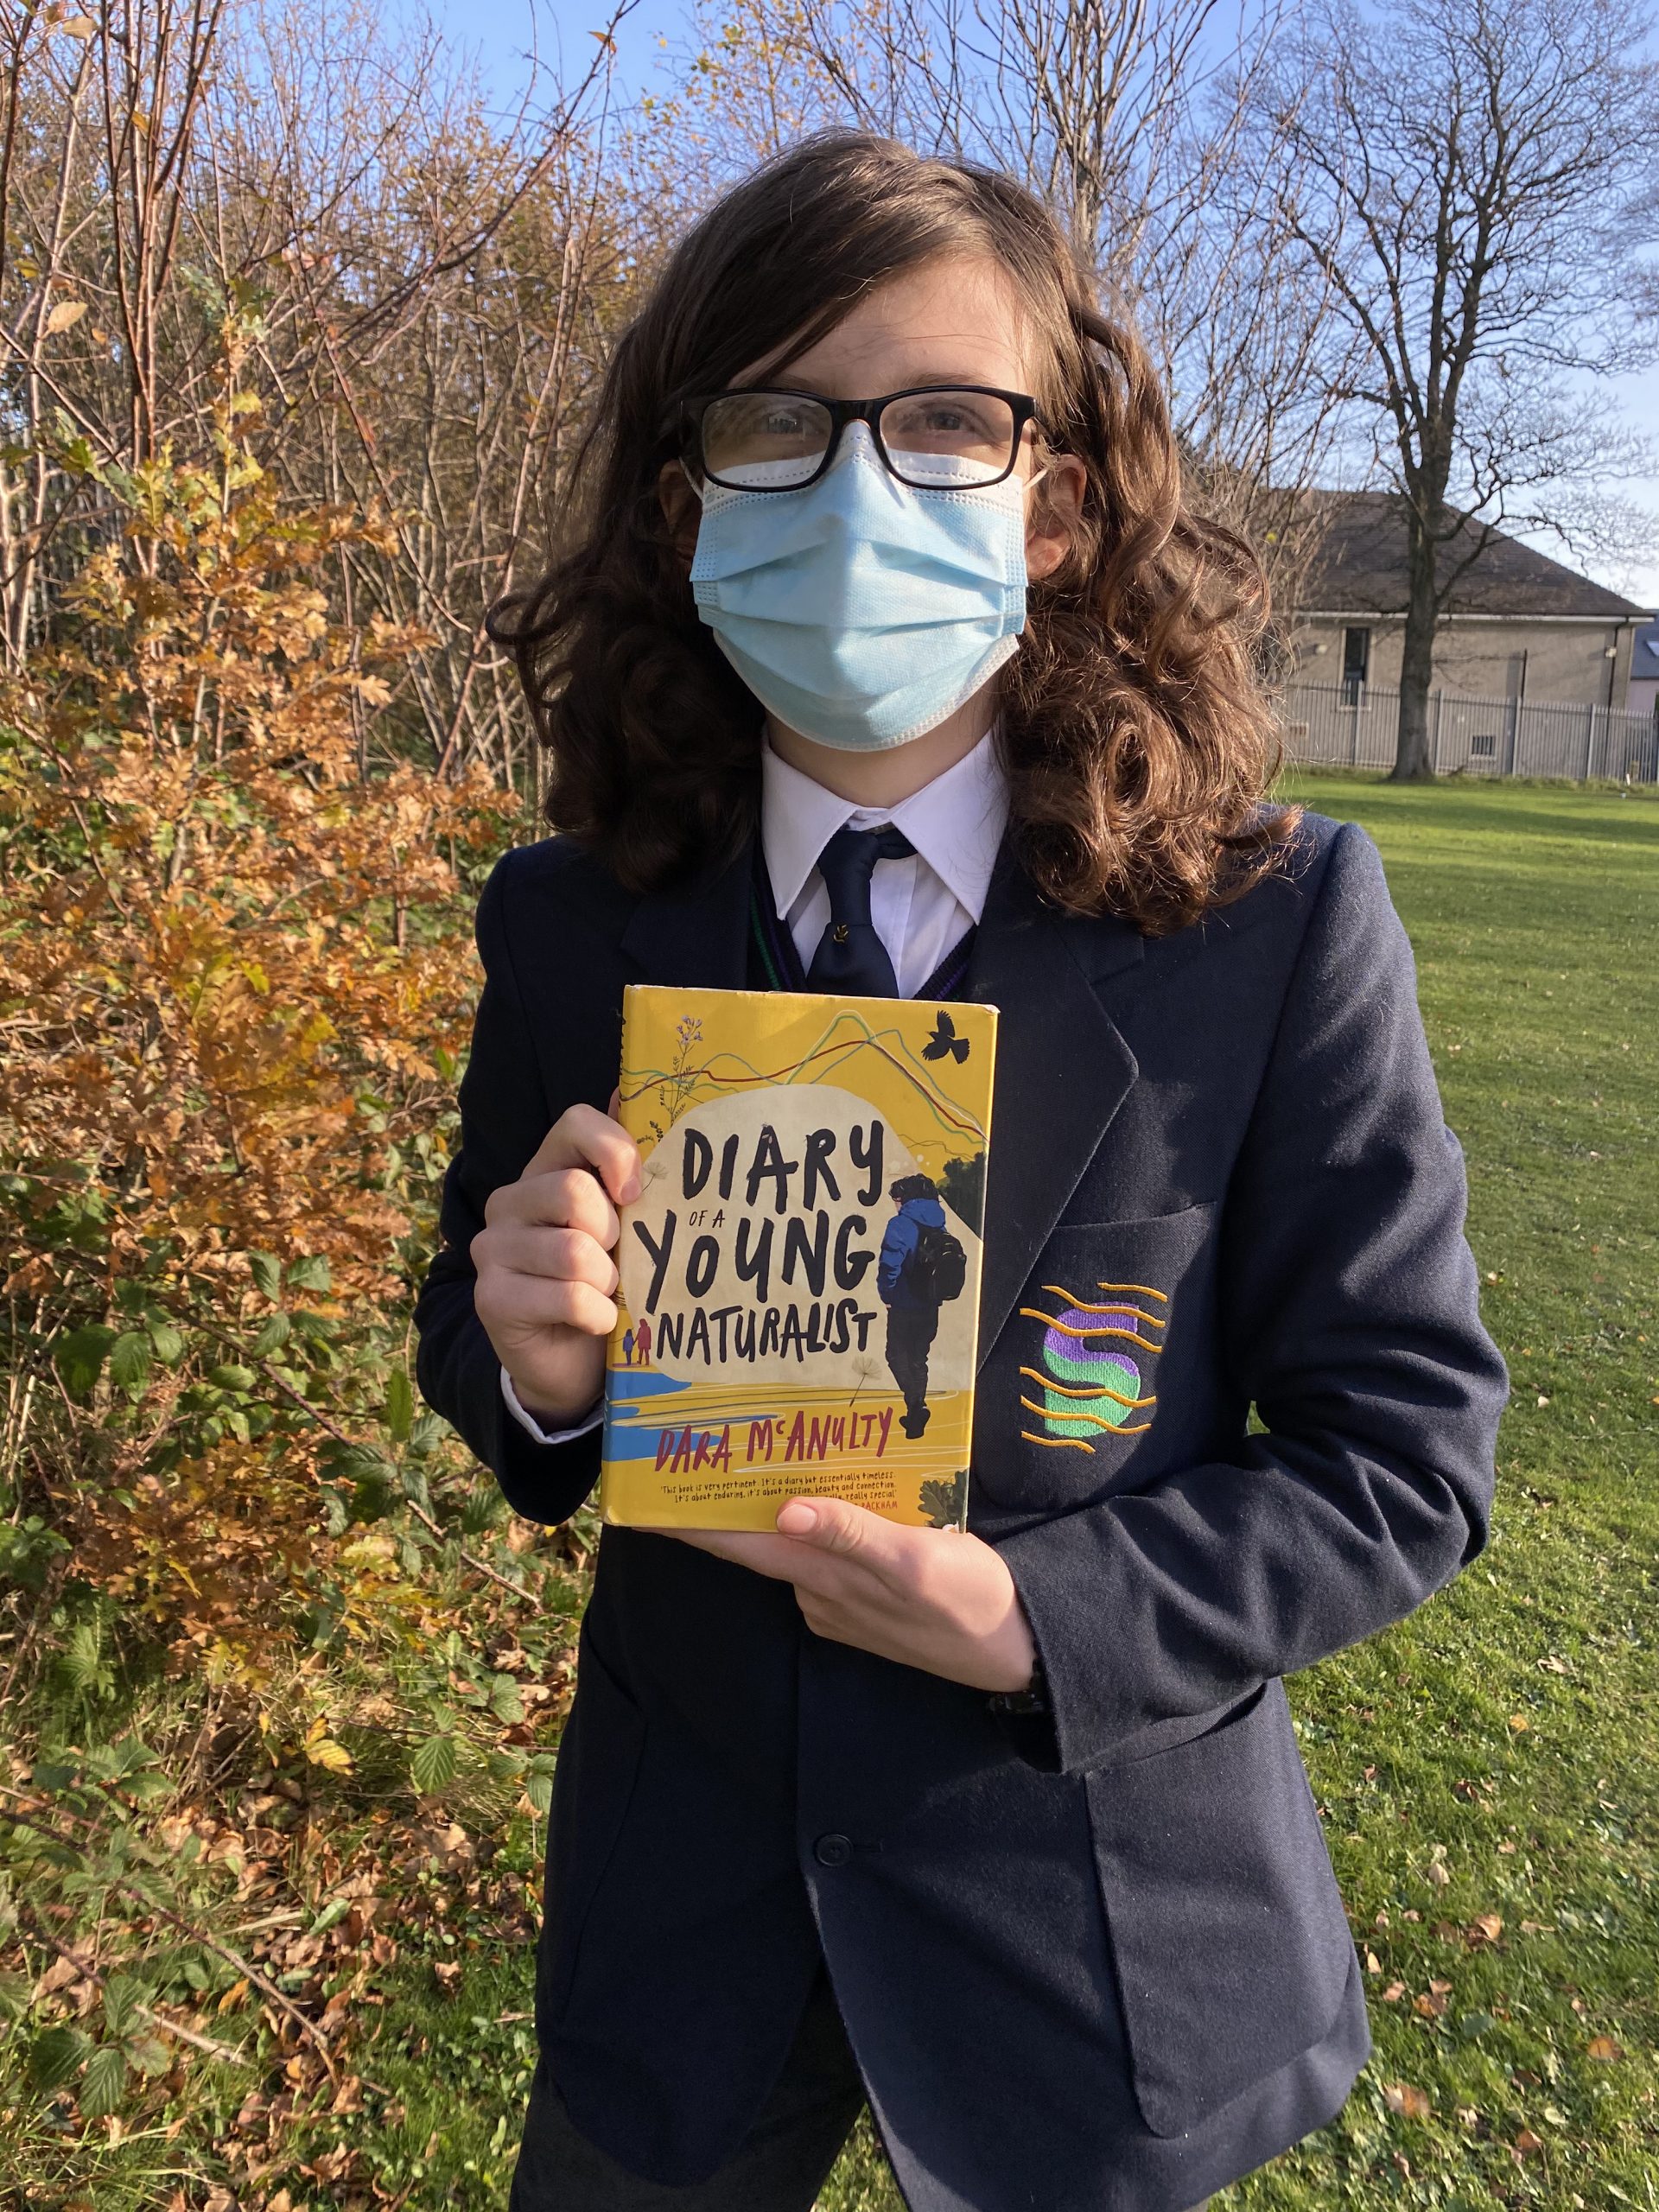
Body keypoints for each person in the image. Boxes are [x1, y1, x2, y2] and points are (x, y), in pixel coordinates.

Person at [413, 131, 1507, 2212]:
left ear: (1055, 504)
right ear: (689, 502)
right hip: (682, 1932)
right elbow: (479, 1350)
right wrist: (537, 1365)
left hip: (1085, 1942)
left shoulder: (1270, 929)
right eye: (778, 424)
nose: (857, 491)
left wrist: (1038, 1616)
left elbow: (1405, 1451)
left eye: (942, 422)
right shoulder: (571, 924)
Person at [876, 1173, 956, 1438]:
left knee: (896, 1356)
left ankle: (916, 1405)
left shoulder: (899, 1225)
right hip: (930, 1305)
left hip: (903, 1305)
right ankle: (914, 1418)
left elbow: (889, 1266)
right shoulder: (939, 1224)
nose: (895, 1205)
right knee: (919, 1359)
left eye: (896, 1199)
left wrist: (887, 1296)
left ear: (904, 1199)